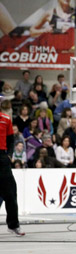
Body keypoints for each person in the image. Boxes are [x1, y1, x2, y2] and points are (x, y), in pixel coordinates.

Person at [0, 99, 25, 235]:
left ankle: (13, 225)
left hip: (2, 158)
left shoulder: (5, 119)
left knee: (10, 192)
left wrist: (9, 155)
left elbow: (10, 140)